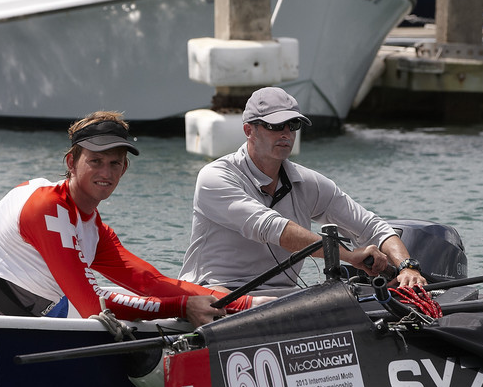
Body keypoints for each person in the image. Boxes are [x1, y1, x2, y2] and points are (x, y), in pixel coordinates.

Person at [0, 111, 249, 326]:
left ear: (124, 169)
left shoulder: (93, 231)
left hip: (15, 325)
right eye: (95, 161)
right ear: (71, 162)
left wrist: (246, 304)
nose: (106, 173)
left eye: (115, 163)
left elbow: (151, 283)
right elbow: (90, 306)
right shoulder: (46, 207)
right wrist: (180, 308)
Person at [180, 87, 431, 292]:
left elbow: (371, 226)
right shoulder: (215, 177)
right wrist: (349, 256)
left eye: (292, 125)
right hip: (216, 294)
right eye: (275, 126)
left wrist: (407, 267)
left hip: (284, 299)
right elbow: (272, 228)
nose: (286, 134)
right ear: (249, 130)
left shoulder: (308, 182)